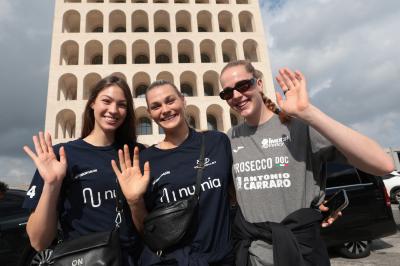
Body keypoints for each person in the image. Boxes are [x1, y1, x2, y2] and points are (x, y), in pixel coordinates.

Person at [218, 60, 395, 266]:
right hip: (252, 256)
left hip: (302, 254)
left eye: (243, 86)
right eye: (227, 93)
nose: (236, 96)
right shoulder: (231, 138)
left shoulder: (298, 126)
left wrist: (307, 112)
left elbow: (383, 164)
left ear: (258, 84)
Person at [22, 75, 145, 265]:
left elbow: (148, 227)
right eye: (106, 101)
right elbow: (38, 242)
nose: (113, 110)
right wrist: (52, 184)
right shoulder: (61, 156)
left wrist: (135, 201)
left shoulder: (136, 154)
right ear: (92, 103)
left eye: (122, 104)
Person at [111, 80, 234, 265]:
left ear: (183, 101)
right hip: (173, 261)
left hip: (222, 258)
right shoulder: (146, 161)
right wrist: (134, 201)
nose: (165, 109)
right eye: (156, 106)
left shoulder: (216, 142)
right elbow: (147, 229)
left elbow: (233, 195)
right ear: (150, 114)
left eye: (170, 101)